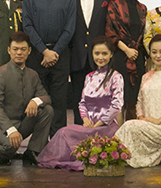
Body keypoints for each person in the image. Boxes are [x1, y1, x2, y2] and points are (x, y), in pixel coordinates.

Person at [38, 36, 124, 170]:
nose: (100, 57)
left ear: (111, 54)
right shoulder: (89, 77)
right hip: (88, 126)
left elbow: (117, 106)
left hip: (106, 127)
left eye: (104, 53)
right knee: (63, 132)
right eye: (97, 53)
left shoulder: (116, 77)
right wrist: (85, 120)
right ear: (92, 54)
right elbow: (82, 103)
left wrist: (98, 123)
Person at [22, 0, 76, 136]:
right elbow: (27, 26)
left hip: (61, 54)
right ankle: (40, 143)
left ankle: (58, 141)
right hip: (37, 55)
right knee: (39, 100)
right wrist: (44, 51)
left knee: (60, 101)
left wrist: (55, 51)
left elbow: (70, 27)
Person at [115, 34, 161, 168]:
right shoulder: (146, 76)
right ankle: (114, 156)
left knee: (128, 126)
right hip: (146, 124)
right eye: (154, 52)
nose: (158, 55)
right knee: (130, 127)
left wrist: (158, 120)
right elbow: (139, 101)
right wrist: (141, 117)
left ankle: (109, 155)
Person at [0, 32, 53, 166]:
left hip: (21, 123)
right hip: (0, 125)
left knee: (47, 110)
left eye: (23, 49)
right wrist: (10, 130)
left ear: (29, 51)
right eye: (15, 49)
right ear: (9, 50)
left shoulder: (33, 75)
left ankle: (33, 151)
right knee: (10, 147)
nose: (19, 53)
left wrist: (35, 101)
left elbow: (46, 97)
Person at [67, 0, 118, 125]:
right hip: (77, 56)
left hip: (101, 56)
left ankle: (101, 139)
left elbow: (113, 23)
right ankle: (79, 137)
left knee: (104, 101)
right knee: (78, 102)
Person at [106, 0, 147, 120]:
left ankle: (132, 131)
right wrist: (127, 50)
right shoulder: (114, 5)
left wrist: (135, 51)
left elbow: (144, 33)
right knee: (120, 98)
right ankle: (119, 132)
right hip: (120, 56)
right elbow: (110, 32)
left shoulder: (142, 8)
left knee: (135, 99)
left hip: (137, 57)